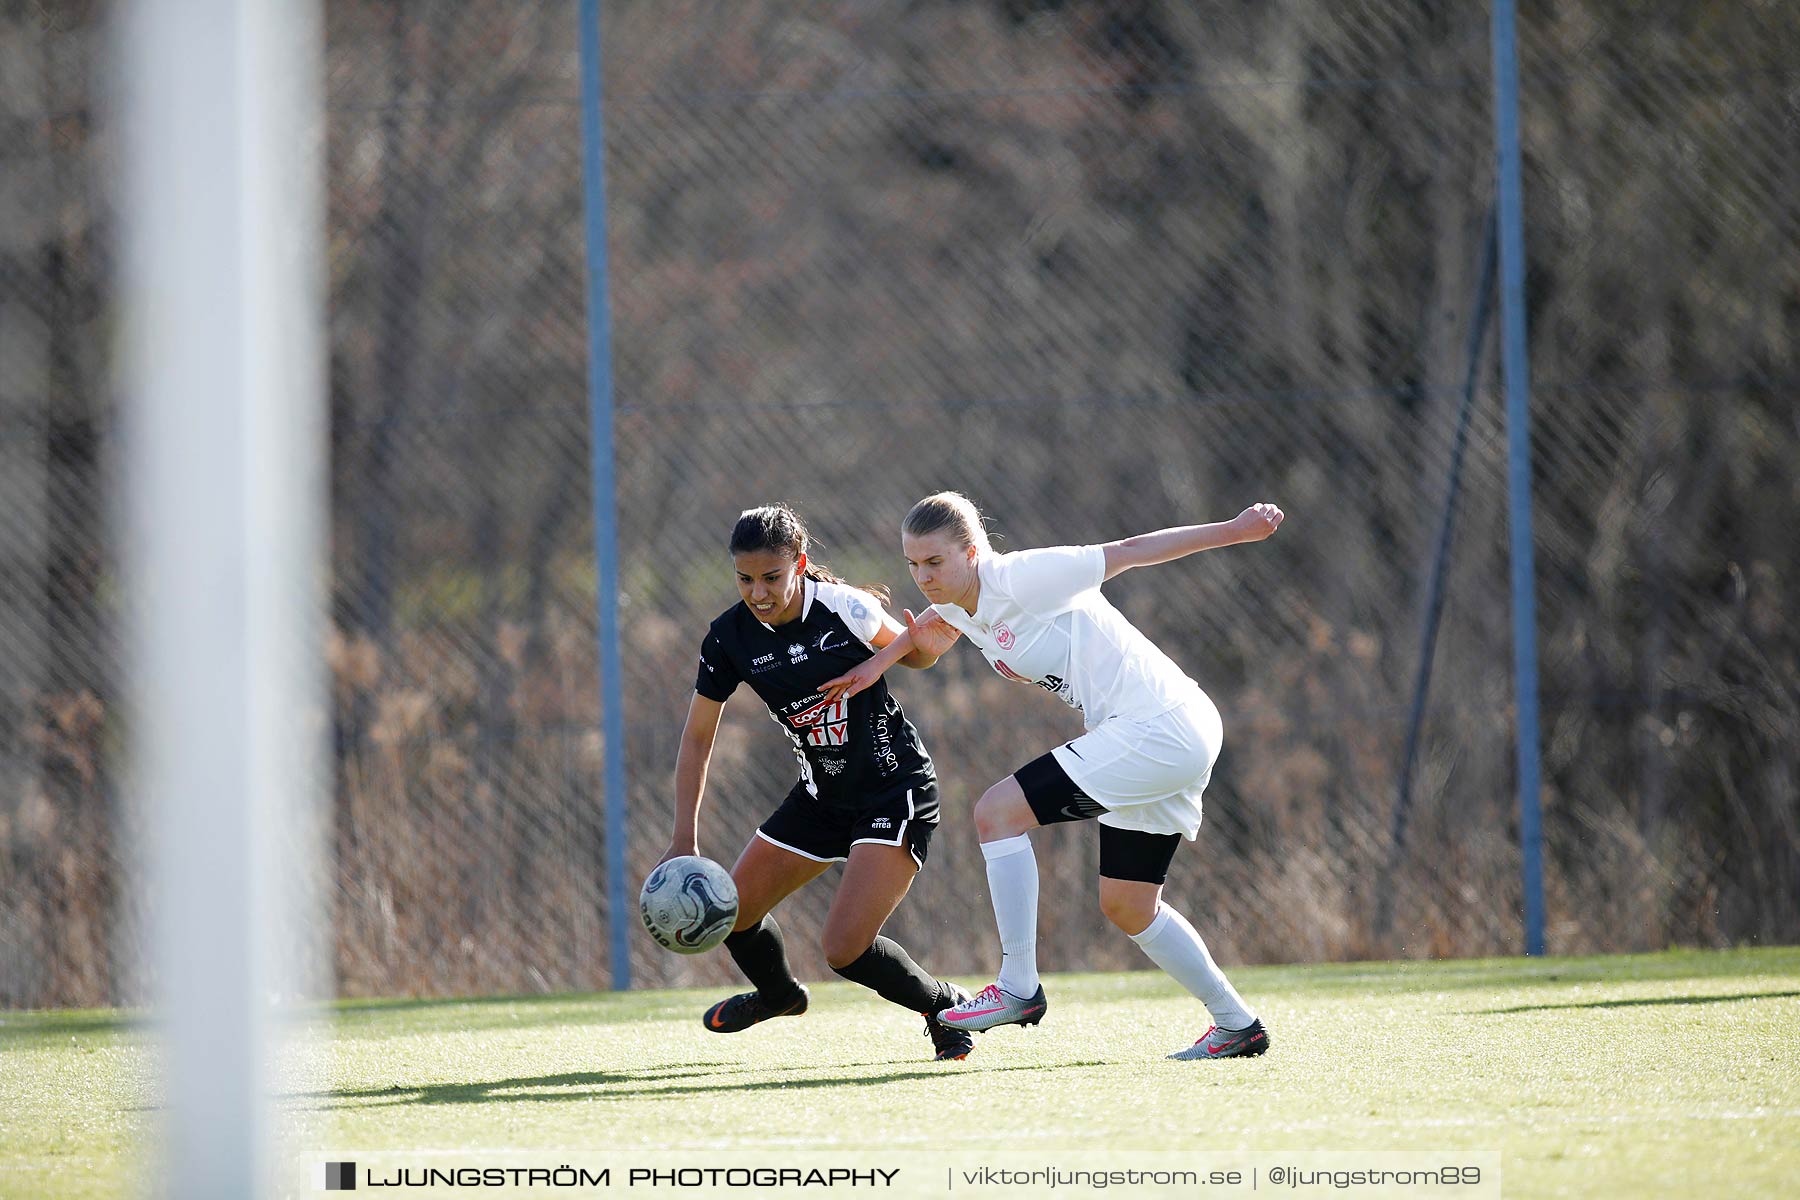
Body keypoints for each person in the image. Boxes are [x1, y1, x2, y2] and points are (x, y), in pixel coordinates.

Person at [820, 491, 1284, 1061]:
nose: (923, 577)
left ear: (972, 551)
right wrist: (878, 663)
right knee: (1129, 904)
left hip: (1160, 726)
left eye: (935, 562)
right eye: (913, 564)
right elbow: (931, 630)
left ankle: (1018, 985)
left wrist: (1235, 530)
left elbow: (1130, 550)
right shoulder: (962, 605)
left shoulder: (1023, 576)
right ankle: (1237, 1024)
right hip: (1151, 734)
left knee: (996, 812)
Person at [661, 503, 974, 1061]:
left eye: (772, 577)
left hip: (893, 787)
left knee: (844, 950)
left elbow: (916, 656)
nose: (758, 592)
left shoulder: (845, 609)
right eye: (745, 578)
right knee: (731, 911)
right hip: (821, 796)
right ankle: (779, 995)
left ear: (800, 565)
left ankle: (944, 1007)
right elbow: (696, 738)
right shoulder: (728, 638)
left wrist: (936, 629)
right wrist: (684, 839)